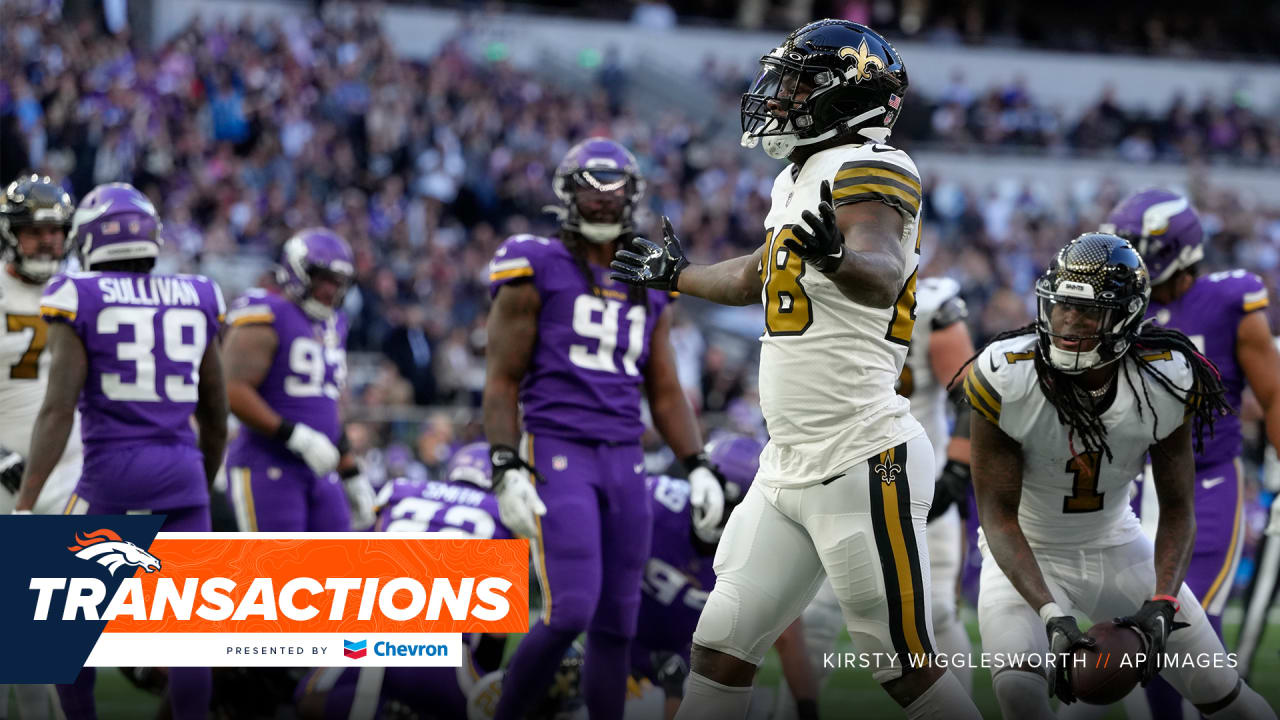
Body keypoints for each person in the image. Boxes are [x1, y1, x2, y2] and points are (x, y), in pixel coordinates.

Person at [612, 20, 980, 720]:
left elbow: (879, 266)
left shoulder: (875, 165)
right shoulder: (798, 176)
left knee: (903, 667)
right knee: (721, 646)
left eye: (802, 82)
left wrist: (839, 258)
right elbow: (756, 275)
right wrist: (678, 274)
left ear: (850, 98)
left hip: (861, 452)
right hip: (788, 463)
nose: (781, 95)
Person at [965, 232, 1272, 719]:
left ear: (1126, 316)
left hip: (1117, 544)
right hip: (1028, 551)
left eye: (1087, 311)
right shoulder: (1006, 376)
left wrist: (1164, 600)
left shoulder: (1164, 380)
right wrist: (1051, 614)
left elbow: (1177, 509)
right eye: (1061, 305)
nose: (1068, 321)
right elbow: (999, 519)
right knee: (1020, 698)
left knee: (1223, 691)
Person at [484, 136, 724, 720]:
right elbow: (501, 378)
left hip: (625, 456)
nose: (600, 205)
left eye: (611, 194)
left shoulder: (644, 275)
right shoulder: (535, 264)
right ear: (566, 197)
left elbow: (663, 389)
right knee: (569, 611)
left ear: (633, 199)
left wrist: (697, 463)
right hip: (557, 447)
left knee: (618, 621)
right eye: (588, 194)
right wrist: (505, 461)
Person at [15, 182, 228, 720]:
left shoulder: (78, 295)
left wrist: (25, 504)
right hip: (182, 472)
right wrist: (199, 483)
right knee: (190, 634)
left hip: (109, 473)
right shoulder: (198, 294)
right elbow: (215, 413)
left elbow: (59, 409)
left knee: (61, 621)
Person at [1100, 189, 1280, 716]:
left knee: (1187, 626)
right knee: (1140, 632)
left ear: (1173, 248)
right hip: (1132, 483)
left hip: (1208, 484)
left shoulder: (1230, 300)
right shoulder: (1119, 307)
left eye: (1139, 246)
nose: (1128, 257)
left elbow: (1271, 395)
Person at [774, 276, 978, 718]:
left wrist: (957, 472)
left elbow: (970, 394)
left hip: (918, 480)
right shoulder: (811, 290)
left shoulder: (932, 303)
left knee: (938, 614)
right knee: (817, 618)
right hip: (835, 476)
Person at [295, 443, 510, 720]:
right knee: (489, 705)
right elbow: (495, 637)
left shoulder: (396, 490)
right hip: (446, 657)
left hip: (367, 641)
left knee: (307, 699)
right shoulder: (503, 517)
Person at [222, 228, 376, 533]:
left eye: (338, 282)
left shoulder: (335, 324)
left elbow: (327, 406)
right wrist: (295, 436)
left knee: (335, 572)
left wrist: (351, 471)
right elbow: (232, 390)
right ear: (296, 271)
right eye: (323, 278)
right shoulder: (268, 311)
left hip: (320, 469)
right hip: (267, 464)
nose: (330, 290)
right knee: (278, 573)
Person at [0, 174, 82, 720]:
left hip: (65, 478)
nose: (48, 243)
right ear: (11, 234)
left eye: (55, 233)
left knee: (40, 647)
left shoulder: (84, 289)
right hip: (4, 476)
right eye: (34, 233)